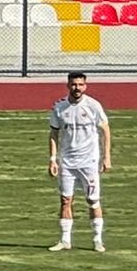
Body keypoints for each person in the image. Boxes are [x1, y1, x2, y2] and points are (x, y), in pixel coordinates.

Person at [47, 71, 111, 252]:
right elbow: (53, 133)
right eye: (74, 85)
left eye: (80, 85)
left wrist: (106, 156)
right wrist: (53, 159)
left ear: (85, 86)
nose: (77, 88)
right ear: (68, 85)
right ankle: (65, 240)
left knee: (92, 200)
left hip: (88, 161)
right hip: (67, 162)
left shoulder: (93, 106)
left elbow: (105, 130)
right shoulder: (59, 107)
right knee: (66, 200)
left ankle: (97, 240)